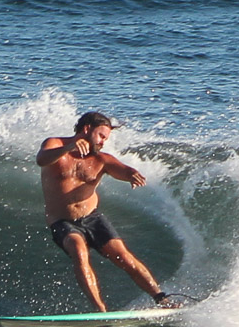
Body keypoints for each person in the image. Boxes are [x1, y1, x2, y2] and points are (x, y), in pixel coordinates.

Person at [37, 112, 172, 312]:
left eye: (106, 139)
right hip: (62, 221)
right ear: (86, 129)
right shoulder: (55, 145)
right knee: (78, 249)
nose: (103, 142)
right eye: (101, 136)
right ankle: (100, 311)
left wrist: (131, 174)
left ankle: (162, 300)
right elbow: (41, 159)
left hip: (92, 218)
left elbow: (120, 168)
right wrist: (68, 148)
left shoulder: (101, 159)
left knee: (124, 257)